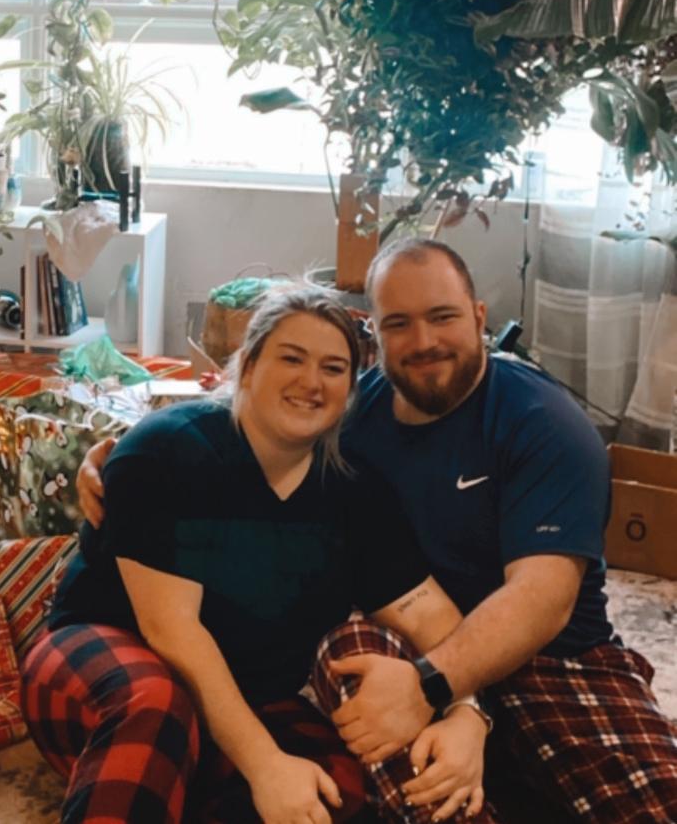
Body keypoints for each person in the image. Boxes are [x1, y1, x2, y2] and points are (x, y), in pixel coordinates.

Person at [80, 238, 677, 822]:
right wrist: (112, 453)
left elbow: (543, 600)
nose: (423, 341)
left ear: (478, 318)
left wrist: (450, 698)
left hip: (555, 662)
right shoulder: (348, 412)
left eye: (442, 317)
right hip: (408, 643)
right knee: (347, 657)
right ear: (376, 335)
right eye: (399, 324)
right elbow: (243, 415)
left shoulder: (544, 423)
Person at [23, 287, 494, 824]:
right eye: (291, 358)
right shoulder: (168, 449)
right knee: (157, 706)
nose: (311, 382)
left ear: (350, 390)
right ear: (247, 366)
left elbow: (430, 615)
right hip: (104, 668)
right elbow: (171, 632)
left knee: (338, 791)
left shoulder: (354, 491)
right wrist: (265, 764)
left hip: (244, 698)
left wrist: (467, 714)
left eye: (333, 368)